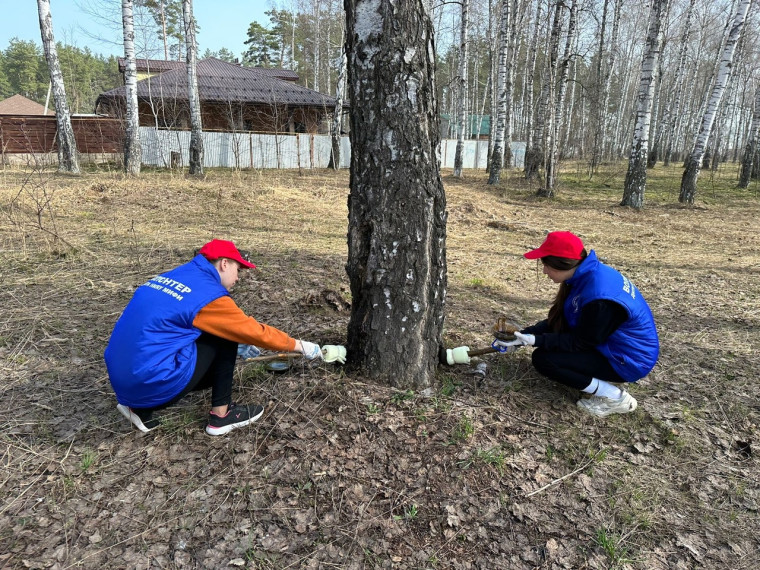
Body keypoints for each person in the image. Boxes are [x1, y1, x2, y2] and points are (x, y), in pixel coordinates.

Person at [104, 239, 323, 436]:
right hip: (150, 381)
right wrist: (302, 346)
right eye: (238, 270)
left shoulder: (177, 276)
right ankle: (221, 416)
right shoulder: (209, 295)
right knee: (226, 336)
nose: (238, 277)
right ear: (224, 263)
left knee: (218, 331)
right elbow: (256, 332)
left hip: (124, 382)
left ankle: (138, 408)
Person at [493, 231, 659, 417]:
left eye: (546, 265)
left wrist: (535, 340)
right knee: (548, 354)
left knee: (545, 360)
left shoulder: (600, 297)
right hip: (609, 344)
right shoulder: (584, 275)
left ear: (561, 264)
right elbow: (565, 320)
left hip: (629, 359)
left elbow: (581, 341)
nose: (544, 271)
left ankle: (616, 398)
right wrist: (522, 336)